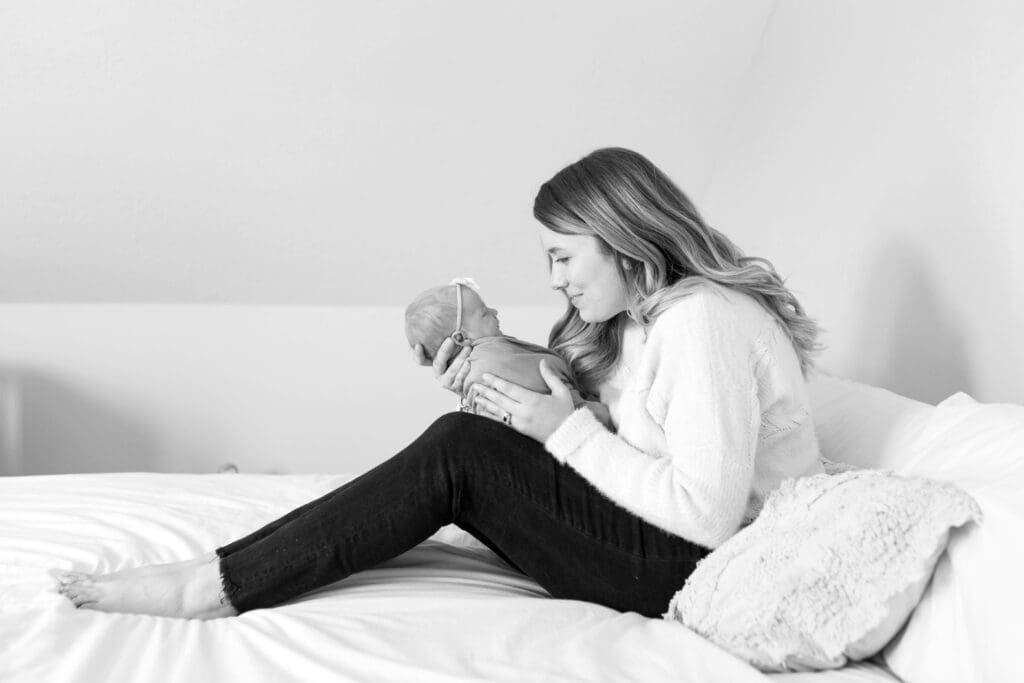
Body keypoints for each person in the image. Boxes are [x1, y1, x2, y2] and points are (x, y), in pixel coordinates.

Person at [53, 147, 825, 620]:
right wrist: (520, 393)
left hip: (684, 568)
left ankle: (212, 588)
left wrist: (563, 432)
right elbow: (627, 428)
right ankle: (218, 568)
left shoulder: (701, 321)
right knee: (472, 437)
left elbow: (705, 515)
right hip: (653, 540)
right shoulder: (647, 320)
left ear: (623, 237)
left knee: (461, 450)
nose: (554, 278)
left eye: (562, 256)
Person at [404, 276, 610, 427]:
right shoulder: (489, 364)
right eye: (484, 313)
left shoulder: (490, 357)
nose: (494, 312)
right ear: (460, 338)